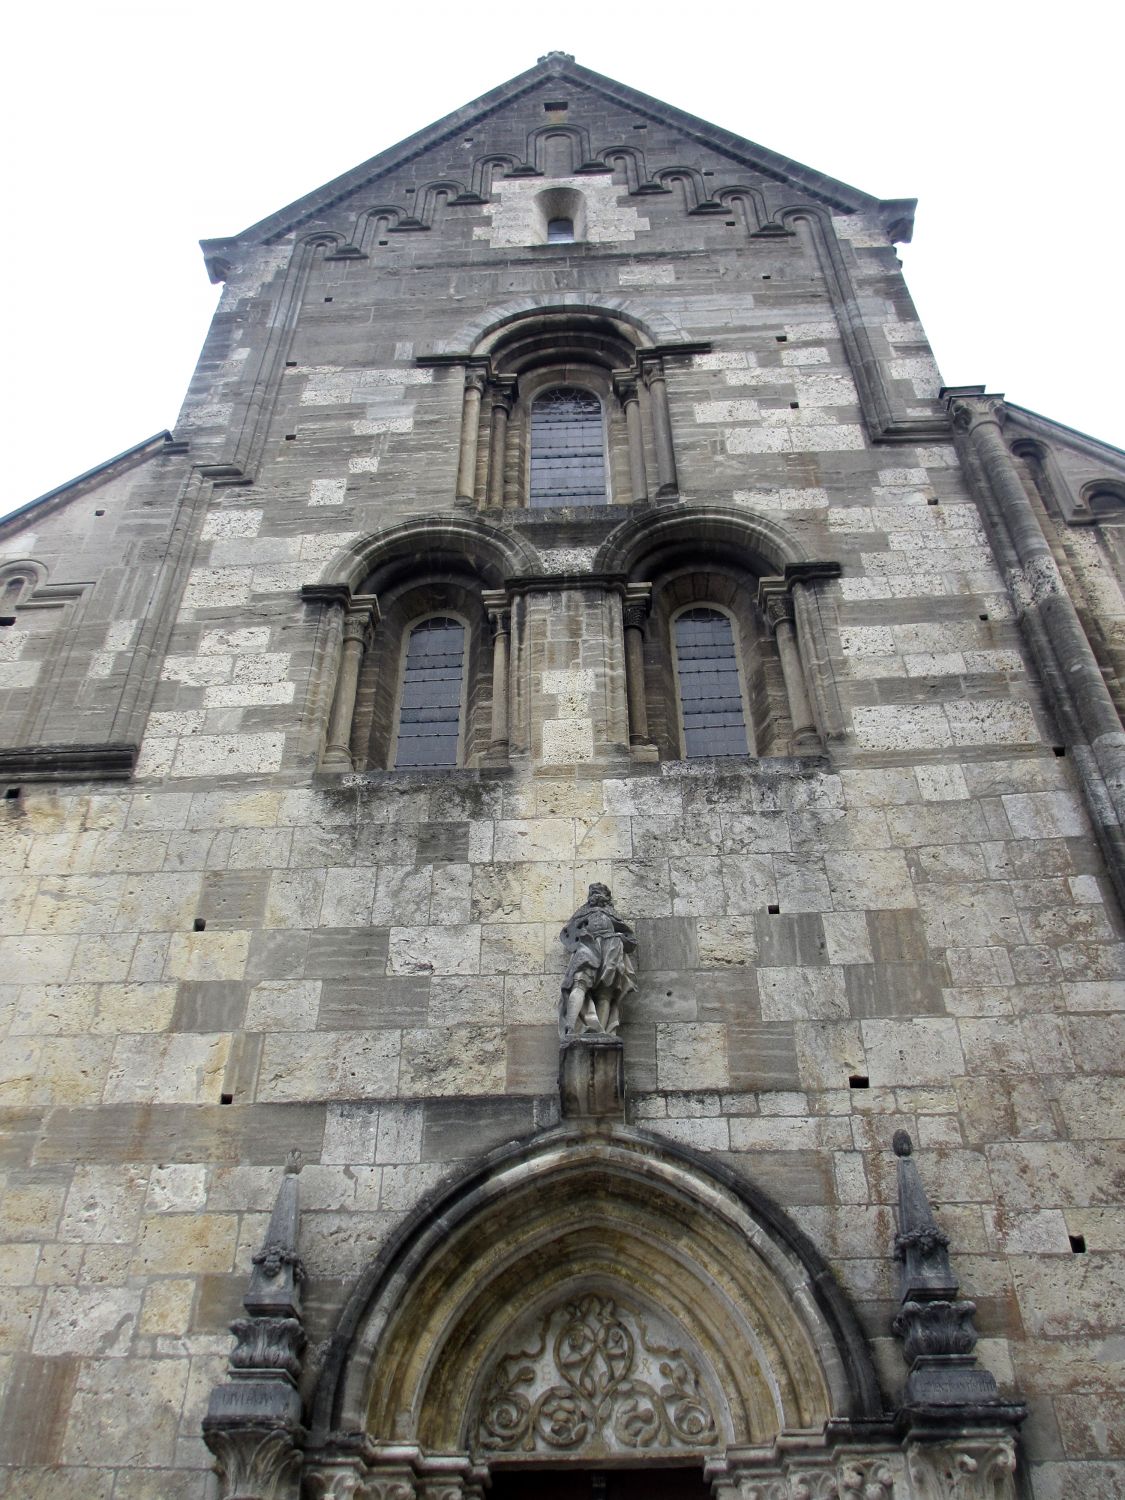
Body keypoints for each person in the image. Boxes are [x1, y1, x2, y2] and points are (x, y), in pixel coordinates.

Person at [559, 883, 637, 1037]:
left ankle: (601, 1032)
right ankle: (570, 1027)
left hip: (611, 949)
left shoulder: (611, 913)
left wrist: (620, 938)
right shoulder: (582, 912)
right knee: (579, 983)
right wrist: (581, 936)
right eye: (594, 892)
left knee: (605, 991)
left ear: (606, 897)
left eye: (600, 892)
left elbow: (631, 940)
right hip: (588, 946)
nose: (596, 895)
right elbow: (568, 934)